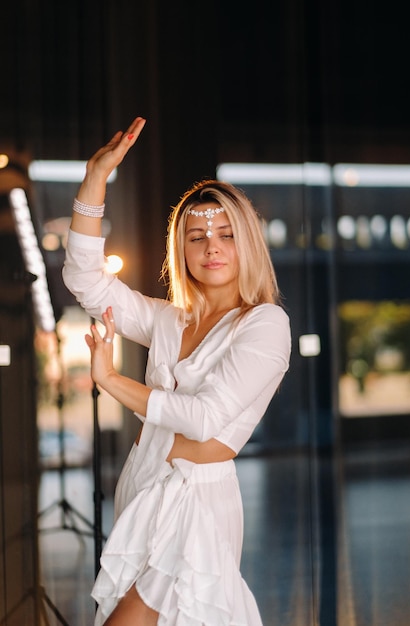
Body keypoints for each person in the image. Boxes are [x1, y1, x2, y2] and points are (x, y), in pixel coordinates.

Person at [62, 116, 291, 626]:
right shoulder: (169, 320)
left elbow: (206, 419)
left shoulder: (264, 324)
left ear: (246, 242)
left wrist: (112, 382)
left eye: (226, 234)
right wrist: (96, 178)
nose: (212, 246)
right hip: (143, 484)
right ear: (180, 249)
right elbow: (86, 281)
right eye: (197, 237)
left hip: (197, 500)